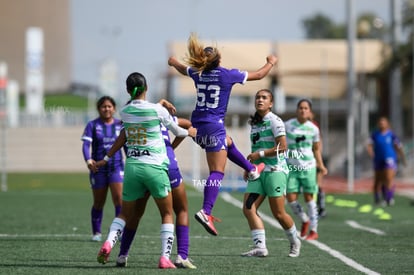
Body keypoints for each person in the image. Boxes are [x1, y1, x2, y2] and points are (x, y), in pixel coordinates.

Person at [168, 32, 277, 236]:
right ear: (219, 59)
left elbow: (184, 69)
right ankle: (206, 211)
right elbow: (260, 75)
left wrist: (173, 61)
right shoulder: (227, 74)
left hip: (197, 127)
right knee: (217, 172)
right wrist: (271, 62)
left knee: (227, 142)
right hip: (213, 126)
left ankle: (251, 169)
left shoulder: (198, 73)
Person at [95, 72, 197, 269]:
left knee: (126, 214)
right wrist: (191, 132)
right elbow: (177, 130)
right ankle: (165, 258)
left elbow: (127, 130)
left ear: (127, 90)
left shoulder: (124, 112)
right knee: (168, 213)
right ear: (146, 87)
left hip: (133, 167)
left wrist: (105, 158)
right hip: (156, 166)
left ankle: (109, 243)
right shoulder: (157, 110)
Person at [242, 89, 301, 258]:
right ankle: (260, 247)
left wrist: (258, 156)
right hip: (259, 173)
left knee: (279, 213)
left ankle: (294, 240)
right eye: (258, 97)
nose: (260, 100)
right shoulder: (255, 123)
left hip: (275, 171)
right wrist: (249, 167)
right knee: (248, 208)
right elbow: (256, 148)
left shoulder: (275, 121)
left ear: (271, 103)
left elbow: (282, 148)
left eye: (264, 97)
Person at [81, 95, 125, 242]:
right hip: (97, 169)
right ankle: (96, 233)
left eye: (109, 106)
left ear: (114, 108)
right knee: (99, 202)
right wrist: (88, 160)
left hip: (116, 167)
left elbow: (126, 145)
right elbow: (86, 145)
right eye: (103, 106)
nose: (106, 109)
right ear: (99, 109)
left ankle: (118, 232)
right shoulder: (92, 125)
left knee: (119, 200)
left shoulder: (121, 124)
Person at [285, 99, 328, 241]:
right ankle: (304, 219)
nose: (303, 110)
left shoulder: (313, 128)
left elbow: (316, 149)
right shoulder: (288, 125)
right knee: (291, 199)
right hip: (292, 167)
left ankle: (314, 230)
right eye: (301, 108)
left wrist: (321, 165)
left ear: (309, 111)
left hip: (308, 167)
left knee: (310, 199)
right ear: (297, 110)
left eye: (306, 108)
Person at [366, 116, 406, 206]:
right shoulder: (375, 134)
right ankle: (377, 199)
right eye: (380, 122)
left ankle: (389, 198)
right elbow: (369, 145)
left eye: (383, 122)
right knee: (378, 181)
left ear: (387, 124)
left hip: (390, 159)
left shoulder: (391, 135)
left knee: (388, 178)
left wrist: (402, 157)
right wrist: (371, 153)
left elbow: (398, 146)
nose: (382, 124)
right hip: (378, 159)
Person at [308, 111, 327, 218]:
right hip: (305, 160)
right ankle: (314, 208)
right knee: (309, 185)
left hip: (313, 160)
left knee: (317, 184)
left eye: (308, 110)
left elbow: (319, 144)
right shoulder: (300, 127)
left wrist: (318, 161)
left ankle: (320, 208)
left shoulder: (314, 126)